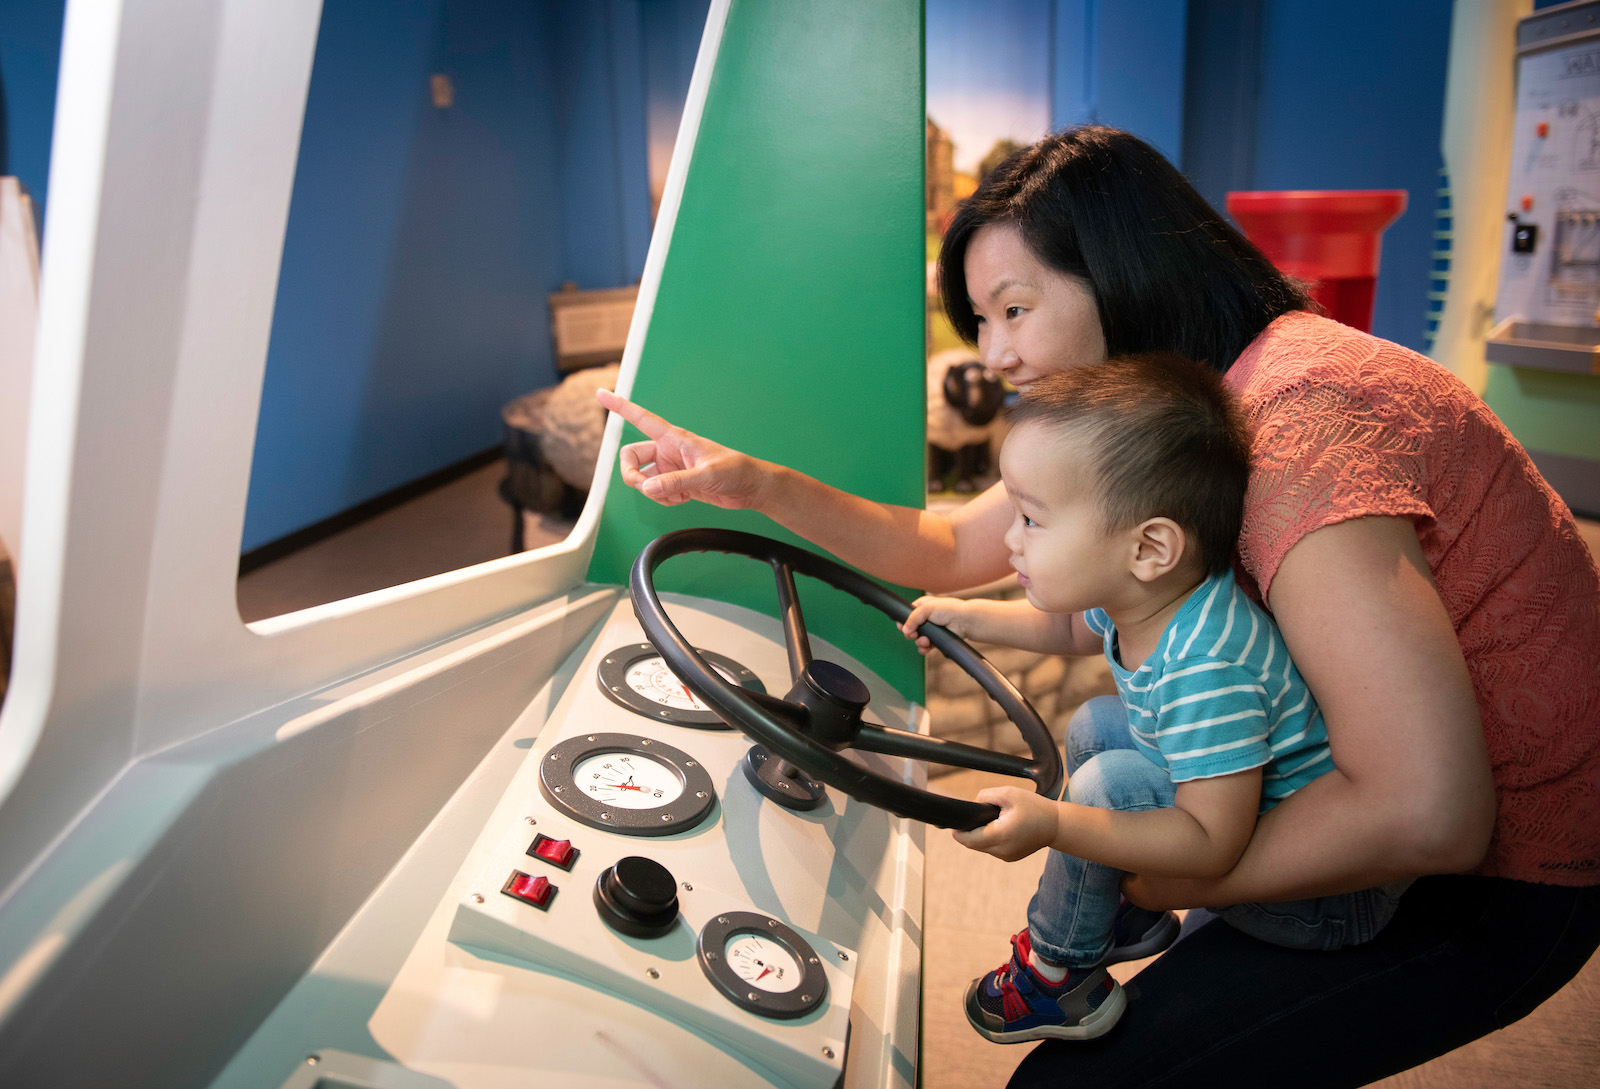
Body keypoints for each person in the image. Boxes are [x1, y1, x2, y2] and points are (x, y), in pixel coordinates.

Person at [598, 125, 1600, 1087]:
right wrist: (750, 484)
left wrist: (1145, 874)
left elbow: (1427, 814)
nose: (992, 356)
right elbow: (945, 545)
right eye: (979, 323)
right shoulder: (1172, 413)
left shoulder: (1292, 422)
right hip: (1329, 788)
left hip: (1502, 871)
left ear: (1115, 272)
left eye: (1015, 309)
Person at [897, 354, 1404, 1045]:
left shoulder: (1206, 663)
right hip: (1247, 823)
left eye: (1032, 520)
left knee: (1103, 784)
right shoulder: (1152, 597)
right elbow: (1074, 626)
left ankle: (1059, 975)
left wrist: (1053, 824)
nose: (1011, 540)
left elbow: (1211, 840)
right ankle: (1121, 917)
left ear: (1150, 547)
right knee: (1099, 724)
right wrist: (972, 616)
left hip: (1322, 896)